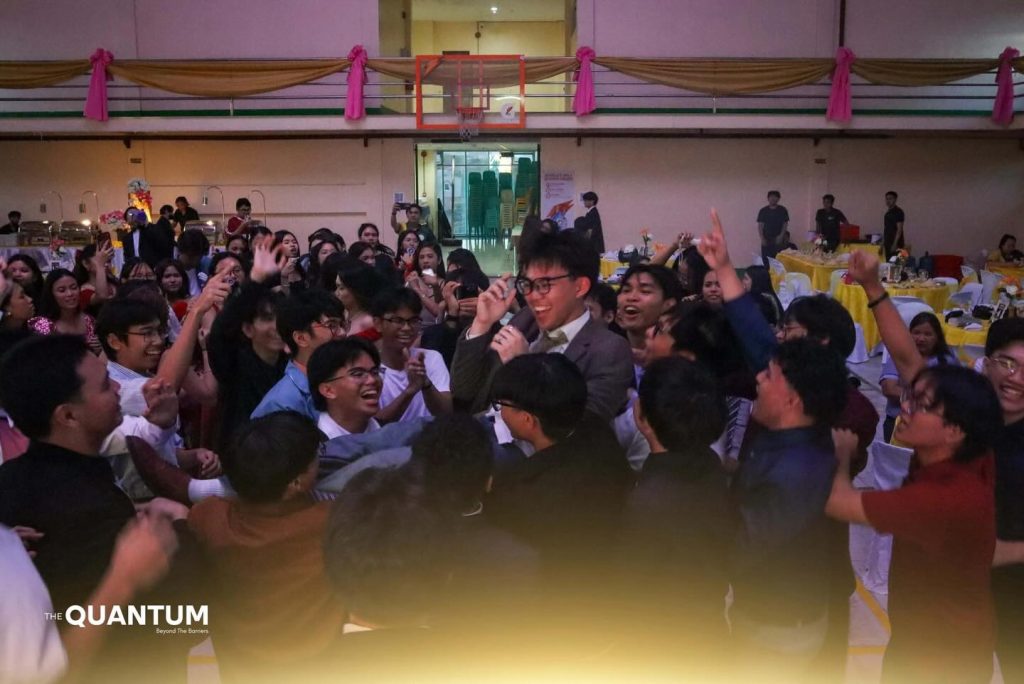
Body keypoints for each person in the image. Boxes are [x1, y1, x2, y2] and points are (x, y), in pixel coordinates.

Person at [0, 335, 202, 682]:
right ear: (68, 416)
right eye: (106, 385)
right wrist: (183, 529)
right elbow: (171, 618)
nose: (118, 389)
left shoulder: (12, 479)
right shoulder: (88, 512)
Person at [187, 412, 344, 682]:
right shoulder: (332, 521)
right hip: (318, 666)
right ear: (296, 482)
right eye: (315, 458)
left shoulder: (209, 518)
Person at [486, 353, 630, 614]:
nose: (500, 411)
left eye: (501, 405)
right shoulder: (594, 428)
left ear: (527, 420)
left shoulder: (526, 496)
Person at [616, 357, 731, 671]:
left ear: (642, 417)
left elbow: (629, 583)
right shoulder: (709, 463)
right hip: (708, 628)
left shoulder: (649, 501)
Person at [451, 231, 633, 421]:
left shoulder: (610, 350)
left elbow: (581, 423)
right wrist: (482, 324)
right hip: (482, 427)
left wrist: (525, 367)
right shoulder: (525, 321)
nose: (532, 296)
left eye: (544, 285)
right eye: (527, 284)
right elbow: (464, 391)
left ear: (580, 287)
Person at [207, 255, 288, 451]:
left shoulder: (292, 363)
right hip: (243, 453)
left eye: (281, 318)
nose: (276, 326)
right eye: (267, 318)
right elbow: (220, 332)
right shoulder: (234, 364)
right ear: (248, 329)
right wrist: (254, 281)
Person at [251, 288, 345, 420]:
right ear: (301, 338)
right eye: (332, 325)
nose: (342, 333)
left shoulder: (349, 379)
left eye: (343, 325)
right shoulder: (281, 405)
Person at [371, 287, 452, 423]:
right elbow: (375, 424)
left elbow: (447, 412)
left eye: (413, 321)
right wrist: (410, 390)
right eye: (398, 320)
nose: (407, 328)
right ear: (378, 323)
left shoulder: (431, 358)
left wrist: (426, 383)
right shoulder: (370, 368)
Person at [879, 311, 959, 441]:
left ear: (937, 337)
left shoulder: (947, 360)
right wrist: (928, 399)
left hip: (934, 426)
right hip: (898, 422)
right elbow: (889, 388)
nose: (921, 339)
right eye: (916, 333)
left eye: (928, 334)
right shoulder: (899, 356)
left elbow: (955, 393)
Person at [308, 337, 384, 440]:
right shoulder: (313, 444)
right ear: (328, 390)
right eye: (358, 374)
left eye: (375, 372)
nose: (372, 380)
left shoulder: (391, 435)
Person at [616, 264, 682, 375]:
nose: (631, 298)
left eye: (645, 291)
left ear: (668, 304)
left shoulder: (681, 362)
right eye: (626, 290)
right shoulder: (604, 352)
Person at [419, 267, 490, 367]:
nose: (465, 297)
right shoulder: (432, 334)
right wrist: (452, 316)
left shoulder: (493, 333)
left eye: (471, 292)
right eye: (459, 291)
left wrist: (486, 312)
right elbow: (438, 363)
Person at [28, 268, 103, 354]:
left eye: (73, 288)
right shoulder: (42, 325)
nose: (70, 294)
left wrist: (99, 349)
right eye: (62, 290)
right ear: (51, 294)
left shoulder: (89, 321)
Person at [756, 190, 789, 260]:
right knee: (766, 259)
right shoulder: (763, 211)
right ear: (768, 198)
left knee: (778, 259)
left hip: (778, 238)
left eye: (775, 197)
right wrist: (762, 238)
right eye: (771, 197)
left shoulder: (782, 210)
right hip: (766, 238)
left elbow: (785, 224)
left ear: (778, 199)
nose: (773, 198)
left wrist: (781, 236)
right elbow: (760, 225)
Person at [177, 228, 210, 297]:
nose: (195, 261)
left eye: (199, 257)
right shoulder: (168, 270)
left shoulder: (208, 266)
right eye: (191, 257)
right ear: (179, 251)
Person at [883, 190, 905, 260]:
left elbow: (899, 230)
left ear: (895, 199)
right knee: (887, 263)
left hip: (896, 244)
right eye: (887, 199)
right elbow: (886, 229)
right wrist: (883, 243)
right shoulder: (887, 214)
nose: (888, 201)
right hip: (888, 244)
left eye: (890, 198)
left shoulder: (898, 212)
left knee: (895, 264)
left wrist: (894, 244)